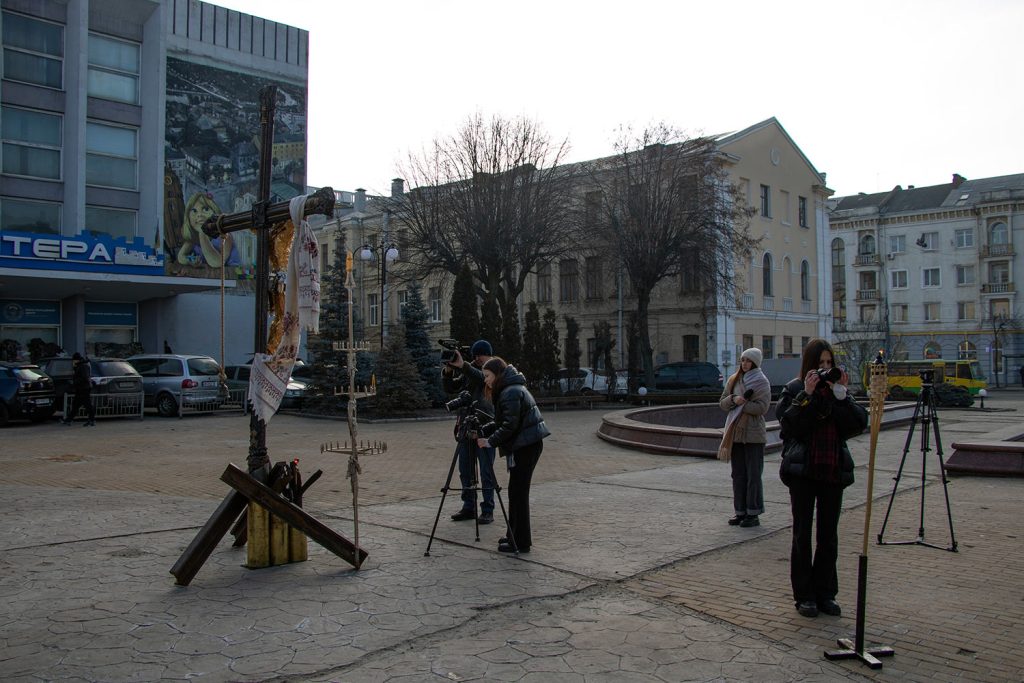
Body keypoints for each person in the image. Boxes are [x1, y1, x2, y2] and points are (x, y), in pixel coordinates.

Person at [777, 338, 867, 618]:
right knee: (802, 534)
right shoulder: (795, 389)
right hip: (803, 470)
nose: (826, 369)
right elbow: (789, 426)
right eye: (820, 364)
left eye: (829, 363)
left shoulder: (837, 392)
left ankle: (826, 593)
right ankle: (805, 596)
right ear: (809, 365)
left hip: (832, 468)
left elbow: (857, 425)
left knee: (829, 535)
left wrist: (842, 397)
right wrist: (806, 395)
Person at [477, 357, 551, 553]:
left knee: (518, 493)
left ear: (497, 374)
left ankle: (521, 542)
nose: (485, 380)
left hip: (525, 446)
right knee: (515, 492)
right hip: (525, 444)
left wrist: (489, 441)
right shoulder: (510, 388)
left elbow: (510, 426)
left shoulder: (510, 392)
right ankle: (514, 535)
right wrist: (485, 429)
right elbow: (504, 421)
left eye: (487, 376)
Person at [442, 340, 498, 525]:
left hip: (486, 426)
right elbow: (451, 388)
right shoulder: (469, 369)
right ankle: (469, 506)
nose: (478, 358)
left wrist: (463, 365)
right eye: (475, 355)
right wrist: (448, 372)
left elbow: (481, 378)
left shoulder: (494, 369)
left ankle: (487, 509)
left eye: (481, 355)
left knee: (486, 471)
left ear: (489, 354)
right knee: (465, 469)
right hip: (467, 425)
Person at [718, 348, 771, 528]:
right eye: (743, 360)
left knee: (753, 475)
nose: (745, 364)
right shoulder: (734, 379)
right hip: (735, 434)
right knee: (738, 474)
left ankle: (753, 513)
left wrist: (743, 405)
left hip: (754, 435)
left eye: (748, 361)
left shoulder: (762, 381)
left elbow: (762, 408)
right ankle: (740, 511)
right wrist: (734, 399)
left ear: (755, 363)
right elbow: (723, 402)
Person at [62, 353, 96, 427]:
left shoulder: (83, 366)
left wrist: (75, 382)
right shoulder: (80, 365)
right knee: (76, 404)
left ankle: (91, 420)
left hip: (84, 388)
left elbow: (84, 377)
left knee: (87, 404)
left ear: (77, 360)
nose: (73, 362)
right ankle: (69, 420)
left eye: (74, 360)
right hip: (81, 388)